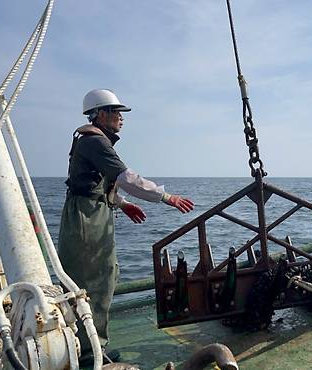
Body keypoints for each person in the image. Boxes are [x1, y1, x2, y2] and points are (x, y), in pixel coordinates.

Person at [58, 89, 195, 363]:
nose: (121, 118)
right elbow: (126, 177)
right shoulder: (95, 142)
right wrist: (167, 197)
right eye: (116, 112)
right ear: (100, 114)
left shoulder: (90, 140)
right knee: (94, 281)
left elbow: (92, 184)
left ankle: (85, 345)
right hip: (87, 217)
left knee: (98, 277)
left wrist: (121, 204)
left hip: (89, 211)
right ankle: (91, 352)